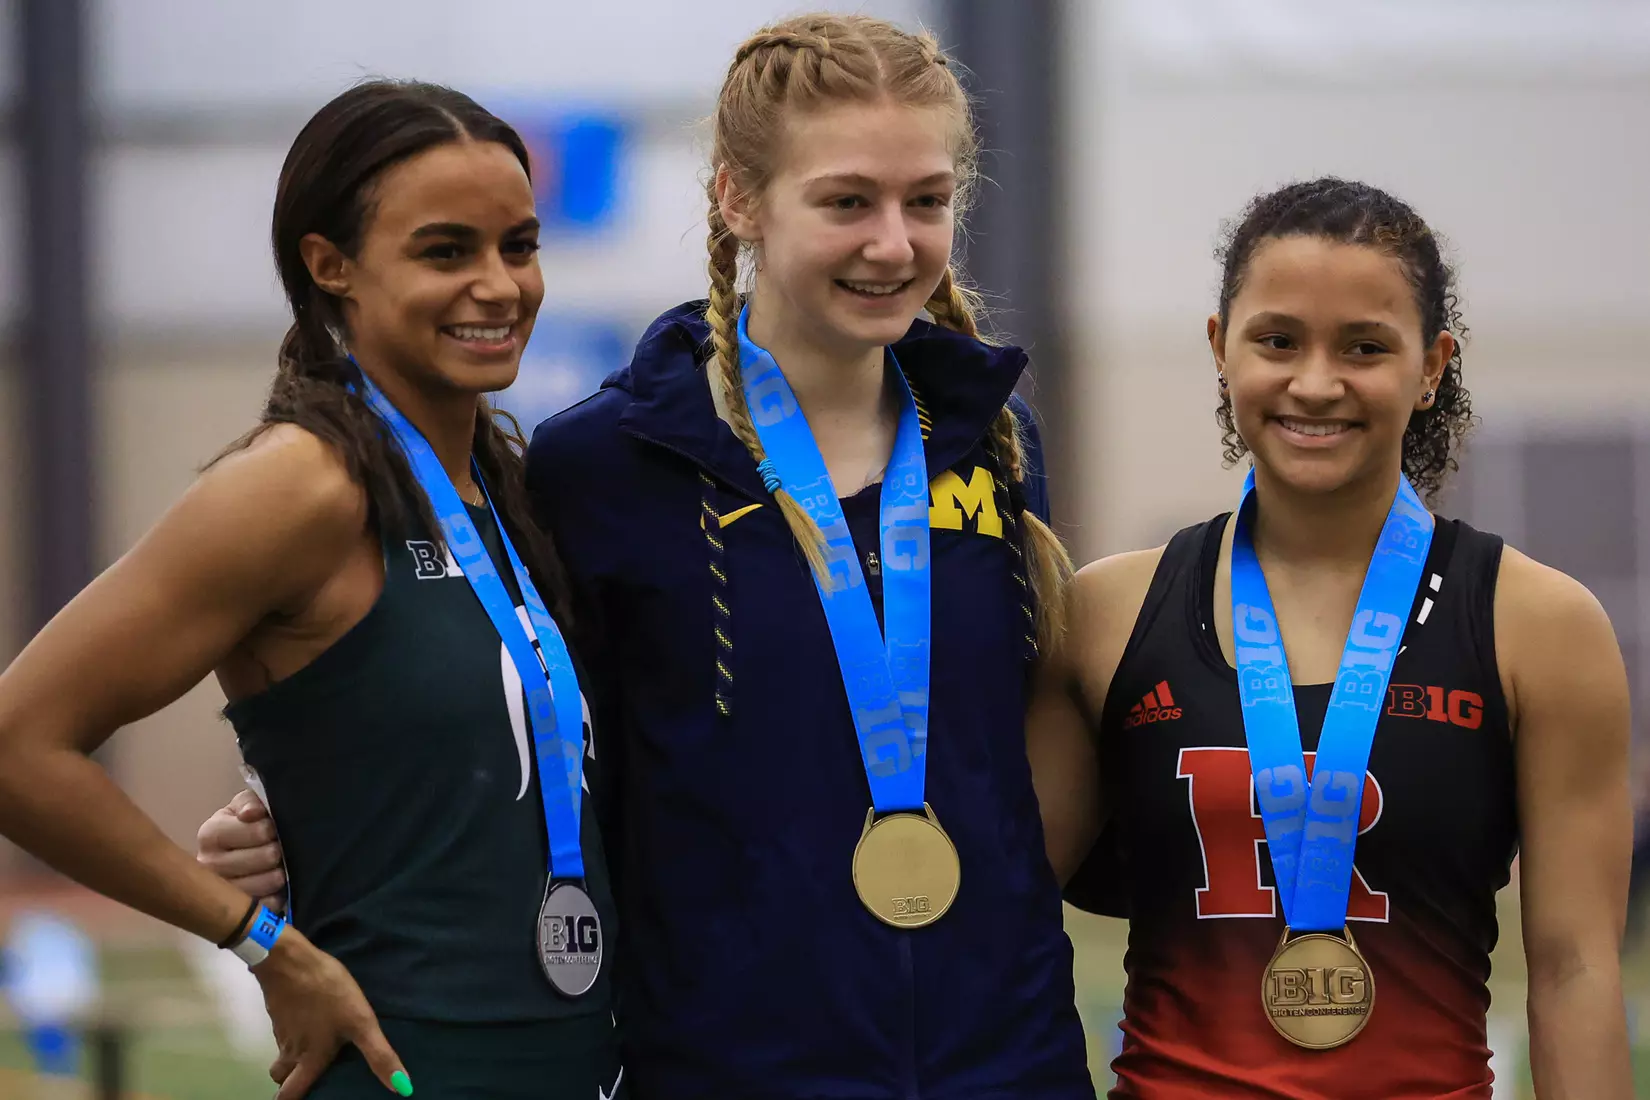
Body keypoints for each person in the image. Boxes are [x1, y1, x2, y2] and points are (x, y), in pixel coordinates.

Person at [199, 14, 1096, 1099]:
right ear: (738, 199)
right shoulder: (605, 463)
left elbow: (1029, 731)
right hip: (725, 1067)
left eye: (927, 199)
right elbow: (505, 709)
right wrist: (285, 811)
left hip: (1008, 1066)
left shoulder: (994, 440)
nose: (894, 242)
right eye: (847, 200)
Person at [0, 80, 625, 1100]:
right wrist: (260, 941)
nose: (500, 284)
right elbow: (18, 743)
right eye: (445, 250)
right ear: (330, 266)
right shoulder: (299, 485)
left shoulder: (511, 485)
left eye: (519, 244)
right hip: (403, 1067)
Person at [1032, 178, 1634, 1098]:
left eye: (1364, 347)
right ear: (1219, 349)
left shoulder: (1539, 626)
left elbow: (1573, 972)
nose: (1315, 383)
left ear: (1432, 366)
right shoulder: (1105, 614)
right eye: (1277, 341)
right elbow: (1003, 926)